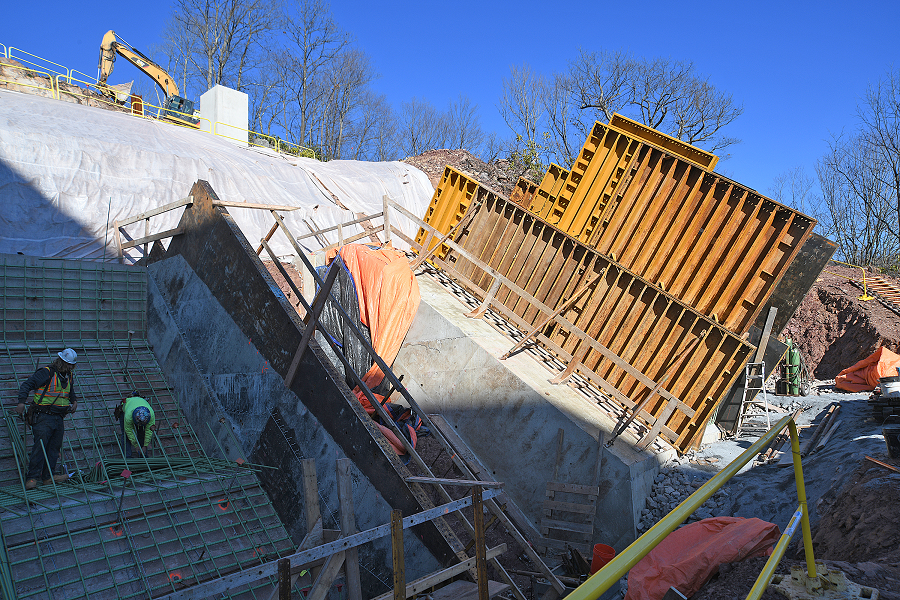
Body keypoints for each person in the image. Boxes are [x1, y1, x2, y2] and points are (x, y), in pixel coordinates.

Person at [17, 348, 79, 490]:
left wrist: (74, 400)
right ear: (61, 361)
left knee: (53, 448)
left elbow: (70, 390)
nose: (70, 367)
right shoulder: (46, 372)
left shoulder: (68, 375)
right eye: (68, 364)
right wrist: (21, 402)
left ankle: (48, 477)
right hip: (43, 416)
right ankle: (32, 478)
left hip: (59, 417)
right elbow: (27, 385)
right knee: (40, 447)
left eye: (72, 365)